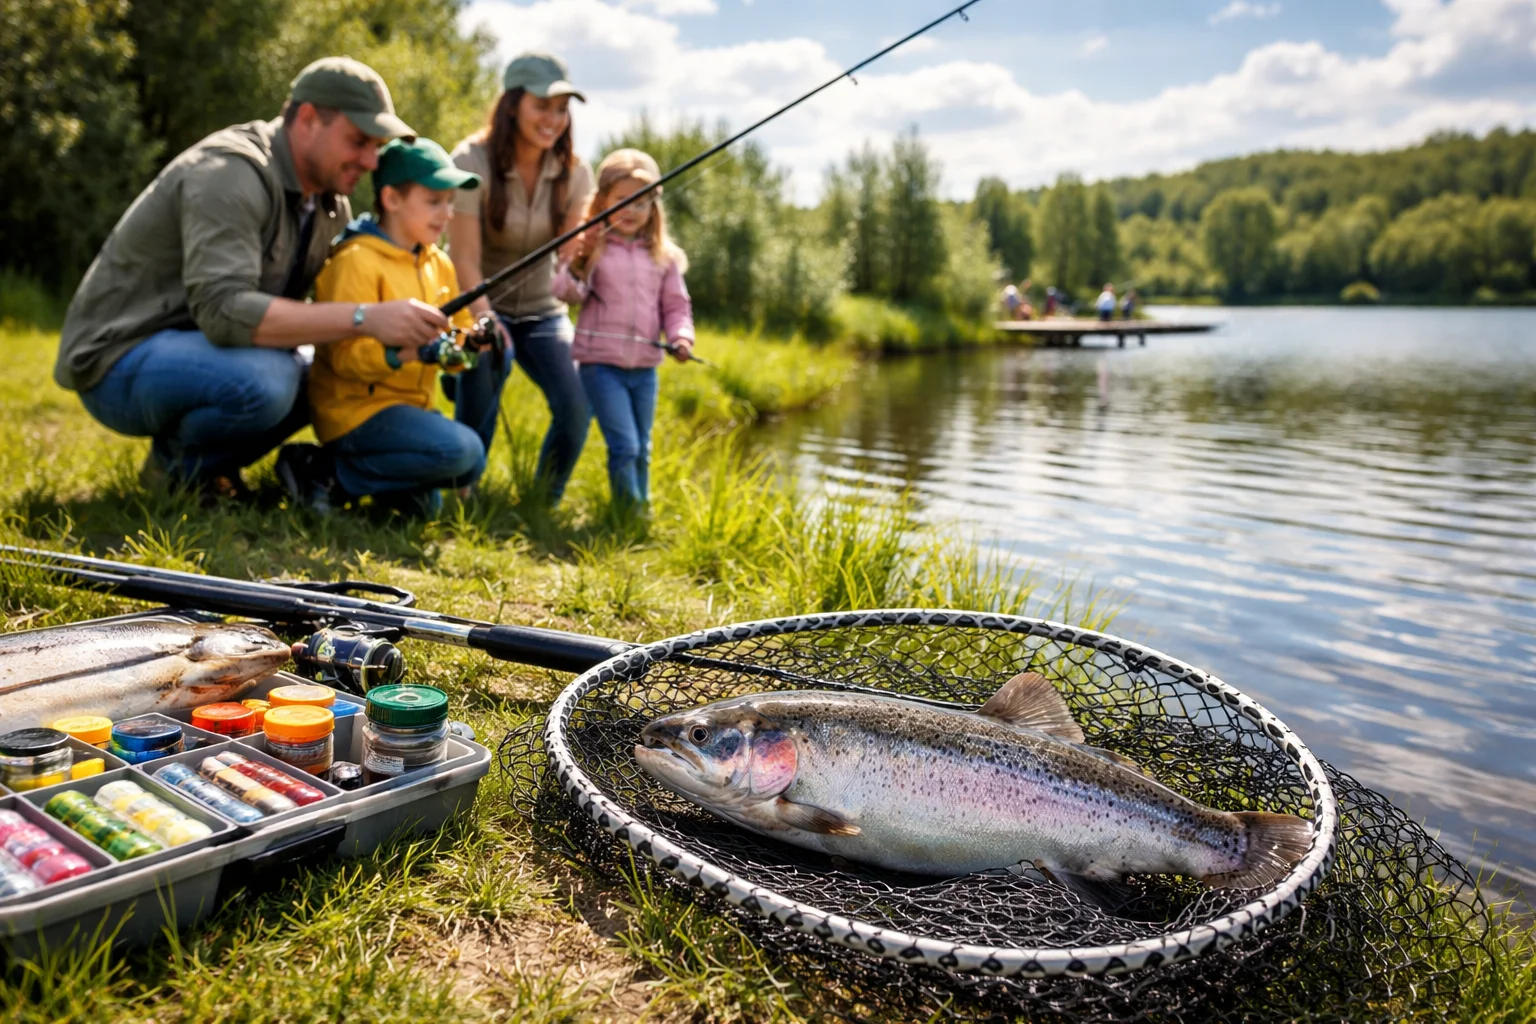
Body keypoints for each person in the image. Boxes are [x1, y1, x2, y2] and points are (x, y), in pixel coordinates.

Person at [53, 57, 449, 502]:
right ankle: (176, 471)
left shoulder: (329, 202)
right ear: (307, 119)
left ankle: (197, 476)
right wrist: (364, 318)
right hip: (119, 358)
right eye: (359, 141)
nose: (372, 160)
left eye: (377, 146)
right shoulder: (229, 173)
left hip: (209, 352)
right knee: (270, 380)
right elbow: (224, 312)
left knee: (318, 374)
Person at [292, 138, 490, 515]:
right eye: (434, 201)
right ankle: (322, 471)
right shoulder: (356, 262)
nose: (447, 213)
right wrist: (418, 352)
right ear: (391, 199)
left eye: (450, 202)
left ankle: (351, 486)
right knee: (464, 453)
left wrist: (470, 344)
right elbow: (345, 359)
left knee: (429, 504)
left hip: (410, 408)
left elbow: (457, 333)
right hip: (355, 412)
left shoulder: (437, 263)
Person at [448, 52, 596, 506]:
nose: (553, 119)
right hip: (477, 305)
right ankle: (462, 490)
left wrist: (584, 254)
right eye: (542, 106)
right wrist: (488, 322)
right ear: (512, 104)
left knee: (577, 405)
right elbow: (464, 262)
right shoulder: (470, 160)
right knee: (490, 355)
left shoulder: (576, 172)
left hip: (543, 313)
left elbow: (572, 259)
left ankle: (542, 501)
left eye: (561, 109)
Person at [551, 149, 694, 511]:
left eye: (642, 203)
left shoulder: (664, 257)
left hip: (646, 368)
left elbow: (676, 306)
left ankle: (638, 511)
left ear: (654, 210)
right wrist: (581, 259)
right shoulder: (592, 248)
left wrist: (681, 337)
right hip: (601, 366)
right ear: (603, 202)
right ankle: (628, 515)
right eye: (623, 200)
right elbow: (566, 293)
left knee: (643, 447)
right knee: (625, 445)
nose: (632, 210)